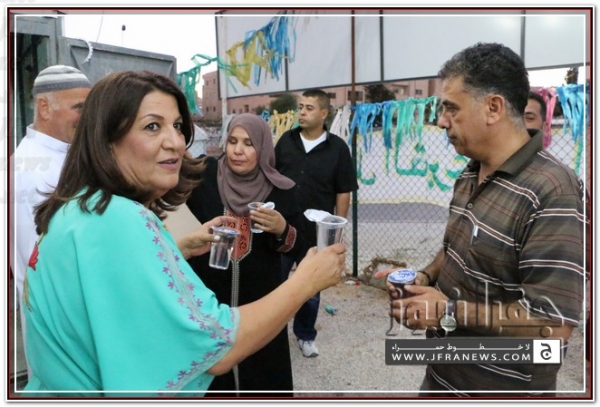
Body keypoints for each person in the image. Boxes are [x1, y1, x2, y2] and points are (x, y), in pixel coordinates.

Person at [22, 71, 345, 397]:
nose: (176, 142)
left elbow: (113, 280)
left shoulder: (80, 206)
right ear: (105, 137)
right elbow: (217, 346)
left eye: (177, 126)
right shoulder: (122, 218)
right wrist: (306, 282)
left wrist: (179, 249)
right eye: (152, 126)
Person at [375, 43, 584, 396]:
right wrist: (423, 278)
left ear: (493, 108)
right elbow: (454, 249)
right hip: (442, 379)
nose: (441, 121)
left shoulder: (553, 191)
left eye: (451, 108)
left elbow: (553, 325)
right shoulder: (470, 173)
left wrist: (448, 311)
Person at [185, 113, 308, 397]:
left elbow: (304, 248)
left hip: (262, 307)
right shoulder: (205, 177)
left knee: (263, 382)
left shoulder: (280, 190)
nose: (238, 150)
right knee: (214, 381)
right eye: (232, 141)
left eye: (248, 144)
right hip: (211, 306)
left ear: (263, 148)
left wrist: (282, 229)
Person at [12, 65, 92, 377]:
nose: (86, 117)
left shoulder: (64, 155)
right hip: (60, 324)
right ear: (45, 107)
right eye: (79, 107)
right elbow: (40, 262)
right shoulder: (31, 167)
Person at [275, 89, 358, 358]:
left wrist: (336, 231)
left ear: (324, 113)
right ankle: (270, 334)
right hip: (282, 229)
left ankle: (305, 335)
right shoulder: (286, 141)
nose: (302, 112)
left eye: (309, 108)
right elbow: (272, 177)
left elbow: (343, 191)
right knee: (274, 283)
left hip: (315, 234)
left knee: (311, 288)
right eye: (300, 107)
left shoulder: (338, 149)